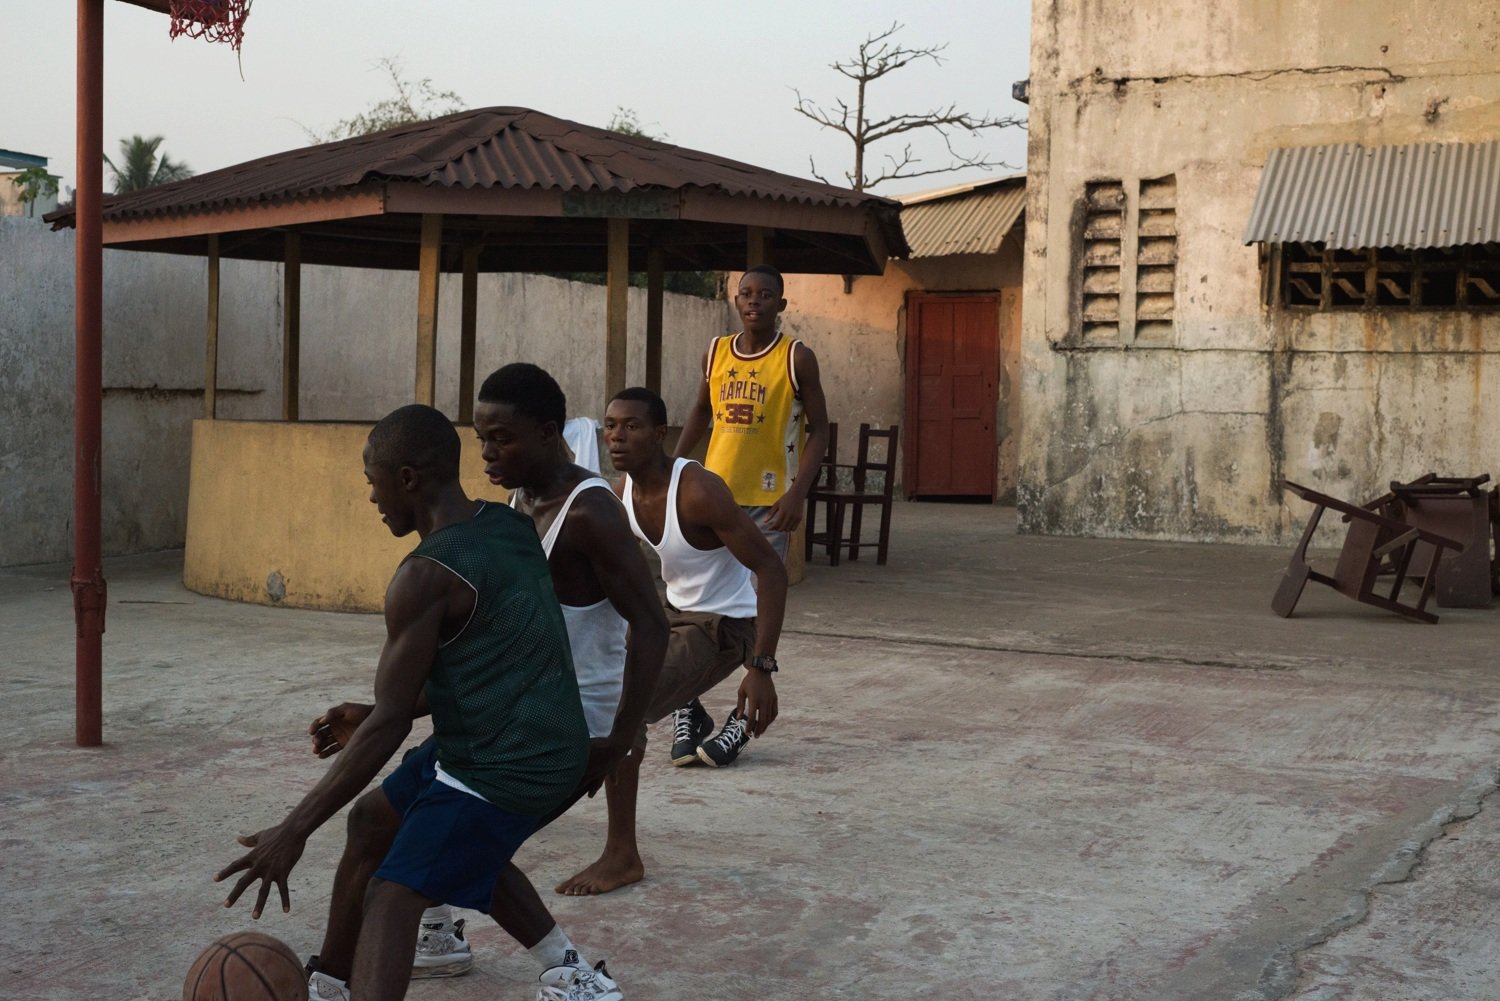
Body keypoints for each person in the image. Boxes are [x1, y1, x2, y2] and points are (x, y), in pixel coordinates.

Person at [212, 404, 614, 1001]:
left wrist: (292, 830)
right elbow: (493, 658)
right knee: (381, 822)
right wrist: (378, 712)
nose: (371, 498)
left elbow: (390, 725)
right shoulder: (508, 527)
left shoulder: (424, 575)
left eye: (373, 481)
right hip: (514, 738)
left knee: (395, 891)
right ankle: (334, 983)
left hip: (509, 763)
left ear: (407, 479)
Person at [406, 363, 669, 986]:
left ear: (550, 433)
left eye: (503, 439)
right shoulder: (518, 503)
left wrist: (621, 740)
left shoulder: (590, 513)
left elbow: (652, 627)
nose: (489, 453)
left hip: (577, 717)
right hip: (524, 704)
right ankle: (440, 928)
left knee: (453, 831)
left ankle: (571, 973)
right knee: (411, 810)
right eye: (481, 439)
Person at [555, 386, 786, 896]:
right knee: (582, 688)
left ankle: (622, 856)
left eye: (631, 426)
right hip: (671, 616)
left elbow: (770, 568)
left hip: (725, 625)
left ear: (659, 435)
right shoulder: (620, 494)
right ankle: (692, 710)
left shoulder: (698, 490)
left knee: (625, 710)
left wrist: (761, 666)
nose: (616, 436)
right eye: (610, 426)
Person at [673, 264, 831, 560]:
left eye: (765, 295)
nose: (753, 301)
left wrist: (797, 493)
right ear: (736, 302)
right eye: (746, 294)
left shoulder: (797, 357)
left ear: (781, 305)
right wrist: (672, 465)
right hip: (716, 494)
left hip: (770, 500)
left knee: (760, 590)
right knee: (720, 593)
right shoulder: (716, 352)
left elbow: (821, 430)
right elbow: (701, 410)